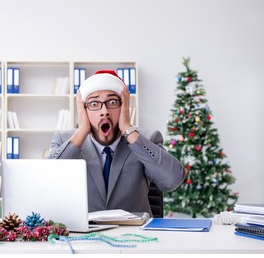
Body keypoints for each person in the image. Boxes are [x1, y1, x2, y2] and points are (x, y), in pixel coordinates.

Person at [48, 70, 184, 216]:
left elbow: (172, 180)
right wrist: (81, 131)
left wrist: (128, 129)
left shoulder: (145, 139)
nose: (104, 111)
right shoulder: (65, 140)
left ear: (124, 106)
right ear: (84, 110)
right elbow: (47, 183)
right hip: (84, 236)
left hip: (135, 235)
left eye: (112, 102)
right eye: (94, 103)